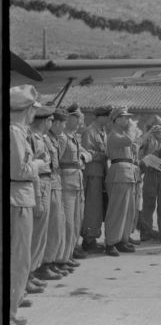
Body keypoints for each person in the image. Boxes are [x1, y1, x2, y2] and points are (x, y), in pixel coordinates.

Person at [9, 85, 51, 325]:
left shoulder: (18, 131)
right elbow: (19, 170)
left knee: (19, 258)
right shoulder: (15, 132)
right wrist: (38, 165)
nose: (35, 113)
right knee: (19, 259)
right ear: (25, 109)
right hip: (18, 200)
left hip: (19, 198)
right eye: (33, 109)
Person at [28, 105, 63, 285]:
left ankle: (33, 271)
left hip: (47, 182)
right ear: (43, 120)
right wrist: (37, 198)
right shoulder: (32, 138)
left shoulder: (41, 137)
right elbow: (33, 169)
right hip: (39, 183)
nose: (52, 122)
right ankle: (27, 275)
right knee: (35, 233)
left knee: (41, 233)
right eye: (50, 119)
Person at [59, 104, 92, 262]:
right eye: (78, 117)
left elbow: (86, 153)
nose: (80, 121)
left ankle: (71, 251)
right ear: (69, 117)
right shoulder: (63, 137)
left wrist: (83, 158)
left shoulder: (74, 137)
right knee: (67, 222)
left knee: (77, 219)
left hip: (77, 182)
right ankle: (64, 255)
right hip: (66, 184)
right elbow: (55, 163)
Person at [104, 106, 138, 256]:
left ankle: (122, 239)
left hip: (128, 173)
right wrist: (131, 127)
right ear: (116, 119)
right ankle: (111, 241)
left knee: (127, 209)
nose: (127, 120)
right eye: (124, 117)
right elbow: (130, 140)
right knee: (117, 210)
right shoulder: (113, 135)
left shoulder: (122, 133)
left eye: (128, 118)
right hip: (119, 172)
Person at [45, 108, 76, 274]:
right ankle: (45, 264)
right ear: (55, 123)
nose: (64, 127)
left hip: (56, 183)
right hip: (48, 185)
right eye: (63, 123)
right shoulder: (46, 139)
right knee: (51, 227)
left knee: (57, 226)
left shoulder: (54, 139)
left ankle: (51, 262)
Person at [80, 105, 111, 252]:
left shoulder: (102, 132)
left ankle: (93, 236)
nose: (108, 119)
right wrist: (103, 155)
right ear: (100, 117)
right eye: (107, 116)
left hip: (100, 174)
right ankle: (88, 239)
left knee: (98, 208)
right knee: (92, 208)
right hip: (92, 174)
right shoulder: (89, 131)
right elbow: (86, 153)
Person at [138, 115, 161, 240]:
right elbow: (139, 147)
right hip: (150, 173)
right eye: (155, 126)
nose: (158, 128)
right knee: (149, 202)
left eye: (160, 125)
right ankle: (146, 232)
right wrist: (148, 133)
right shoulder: (147, 138)